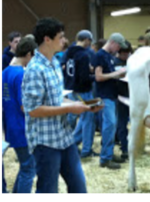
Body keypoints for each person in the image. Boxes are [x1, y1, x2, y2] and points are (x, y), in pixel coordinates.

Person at [21, 17, 103, 193]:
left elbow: (57, 98)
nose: (64, 41)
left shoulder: (55, 63)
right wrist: (70, 108)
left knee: (79, 187)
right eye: (61, 37)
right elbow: (33, 110)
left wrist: (82, 105)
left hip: (65, 137)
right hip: (45, 141)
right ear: (47, 39)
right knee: (48, 190)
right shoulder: (35, 69)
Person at [2, 37, 37, 193]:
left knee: (25, 166)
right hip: (22, 127)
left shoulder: (5, 71)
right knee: (29, 169)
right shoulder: (21, 75)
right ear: (29, 54)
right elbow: (25, 106)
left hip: (10, 125)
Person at [93, 32, 128, 169]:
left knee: (112, 126)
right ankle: (105, 159)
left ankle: (109, 153)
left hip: (112, 95)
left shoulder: (109, 56)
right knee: (109, 126)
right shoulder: (100, 56)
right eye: (119, 46)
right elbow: (98, 77)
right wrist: (117, 74)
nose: (119, 49)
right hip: (104, 95)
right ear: (113, 42)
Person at [63, 30, 98, 158]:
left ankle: (72, 144)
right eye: (90, 41)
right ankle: (86, 150)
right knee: (88, 120)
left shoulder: (69, 52)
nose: (90, 44)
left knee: (83, 119)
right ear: (87, 40)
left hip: (71, 89)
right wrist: (95, 76)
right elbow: (84, 78)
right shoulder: (83, 55)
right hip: (83, 90)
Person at [114, 40, 132, 160]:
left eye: (127, 53)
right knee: (122, 123)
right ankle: (124, 148)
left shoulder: (132, 62)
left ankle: (132, 147)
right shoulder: (114, 63)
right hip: (120, 97)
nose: (125, 56)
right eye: (123, 54)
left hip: (132, 96)